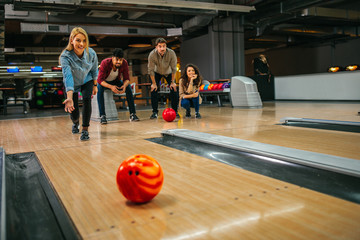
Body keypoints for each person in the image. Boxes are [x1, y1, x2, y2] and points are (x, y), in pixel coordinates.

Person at [60, 27, 98, 141]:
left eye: (84, 40)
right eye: (78, 40)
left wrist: (95, 85)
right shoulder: (65, 56)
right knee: (74, 109)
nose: (82, 44)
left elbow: (94, 70)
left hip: (87, 80)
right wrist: (69, 97)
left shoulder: (91, 53)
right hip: (72, 84)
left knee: (87, 99)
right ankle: (75, 122)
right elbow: (68, 77)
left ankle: (85, 130)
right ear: (72, 40)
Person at [97, 48, 139, 123]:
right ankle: (102, 116)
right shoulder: (105, 63)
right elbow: (100, 80)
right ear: (112, 58)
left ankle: (133, 114)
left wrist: (124, 86)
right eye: (116, 59)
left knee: (128, 87)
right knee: (99, 89)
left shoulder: (124, 63)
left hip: (115, 81)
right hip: (104, 82)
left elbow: (127, 79)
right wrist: (111, 87)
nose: (119, 62)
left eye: (120, 60)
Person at [148, 38, 179, 119]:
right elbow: (150, 70)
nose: (162, 48)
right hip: (156, 72)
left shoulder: (171, 53)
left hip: (168, 72)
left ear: (166, 46)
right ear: (156, 47)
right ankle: (155, 112)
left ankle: (175, 111)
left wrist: (172, 82)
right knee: (153, 90)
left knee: (174, 89)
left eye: (164, 46)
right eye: (160, 46)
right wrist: (154, 84)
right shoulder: (152, 55)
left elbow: (174, 69)